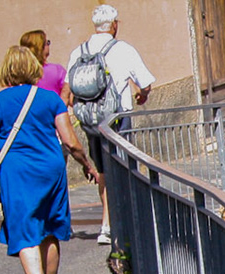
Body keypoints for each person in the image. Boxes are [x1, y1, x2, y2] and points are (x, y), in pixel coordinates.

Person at [0, 46, 104, 274]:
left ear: (7, 70)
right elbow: (71, 142)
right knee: (50, 229)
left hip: (18, 172)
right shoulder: (50, 99)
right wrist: (88, 165)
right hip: (51, 168)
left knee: (24, 231)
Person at [65, 4, 153, 245]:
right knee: (124, 169)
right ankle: (123, 224)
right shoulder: (123, 49)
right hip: (118, 118)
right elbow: (144, 83)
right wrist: (142, 94)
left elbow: (68, 90)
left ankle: (106, 225)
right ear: (114, 25)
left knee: (103, 172)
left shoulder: (79, 51)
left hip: (91, 122)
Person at [20, 30, 65, 95]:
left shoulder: (19, 73)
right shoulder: (57, 70)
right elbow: (69, 95)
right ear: (41, 47)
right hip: (52, 105)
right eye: (47, 43)